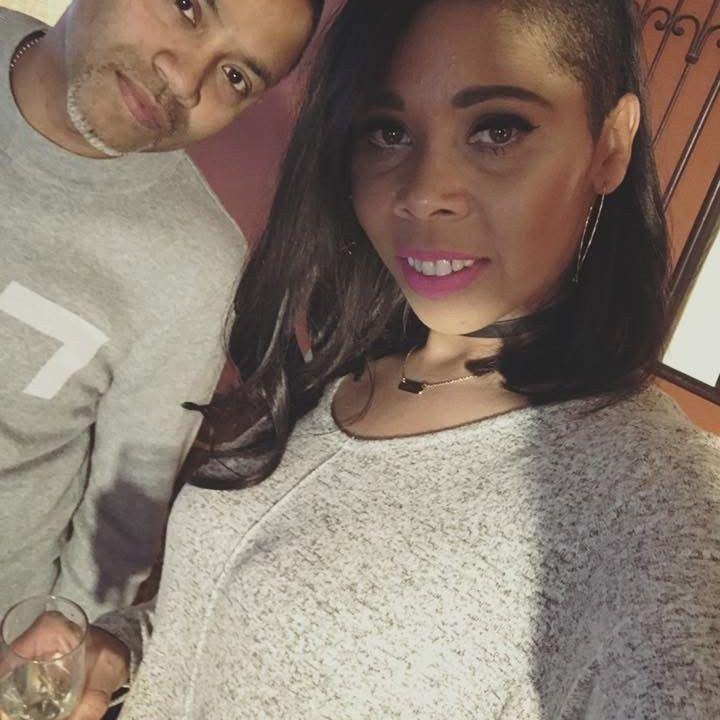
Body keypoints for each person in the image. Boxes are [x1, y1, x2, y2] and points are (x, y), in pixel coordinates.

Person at [69, 0, 720, 717]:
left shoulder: (652, 507)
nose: (422, 194)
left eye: (498, 129)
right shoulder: (345, 371)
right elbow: (235, 617)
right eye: (387, 132)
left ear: (610, 146)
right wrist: (122, 650)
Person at [0, 0, 324, 620]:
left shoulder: (195, 266)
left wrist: (54, 651)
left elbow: (123, 522)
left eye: (236, 76)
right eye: (187, 6)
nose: (184, 79)